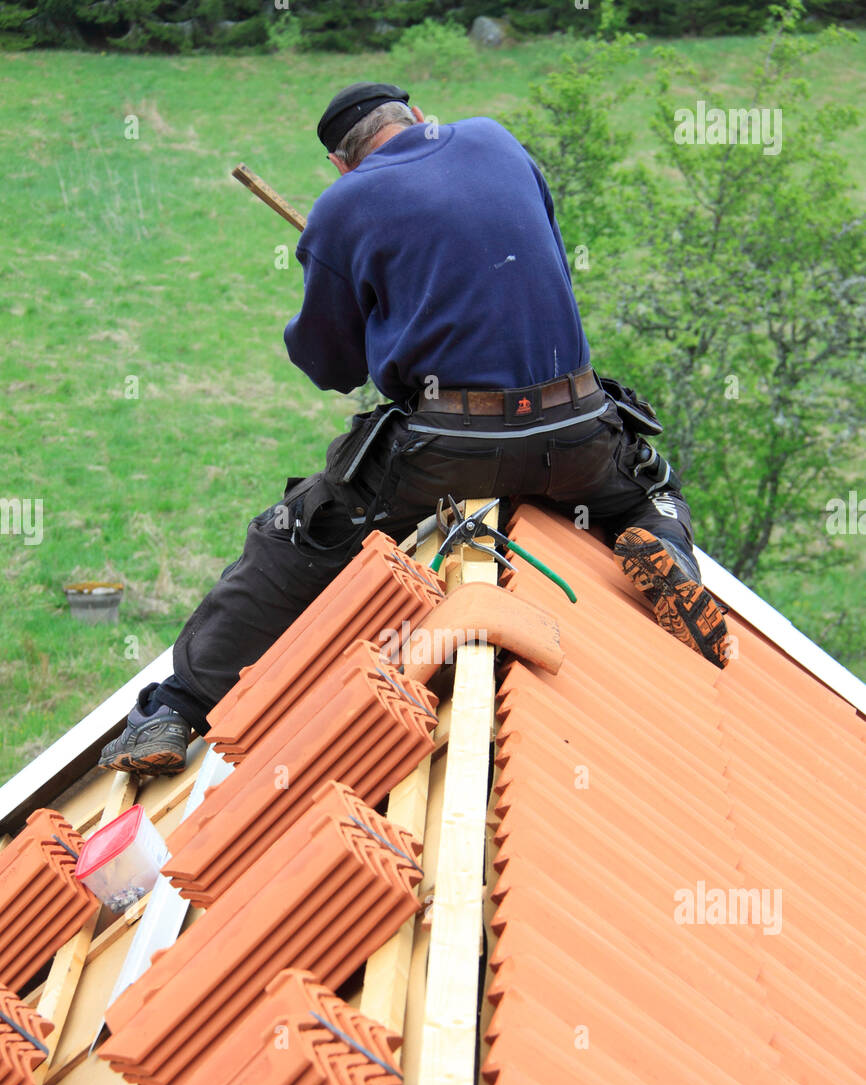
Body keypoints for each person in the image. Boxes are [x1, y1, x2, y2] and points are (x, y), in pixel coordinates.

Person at [100, 82, 728, 776]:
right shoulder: (495, 139)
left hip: (450, 451)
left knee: (288, 541)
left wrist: (366, 298)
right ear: (420, 117)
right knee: (646, 489)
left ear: (342, 165)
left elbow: (330, 365)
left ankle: (175, 710)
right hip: (577, 430)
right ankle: (670, 554)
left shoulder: (343, 207)